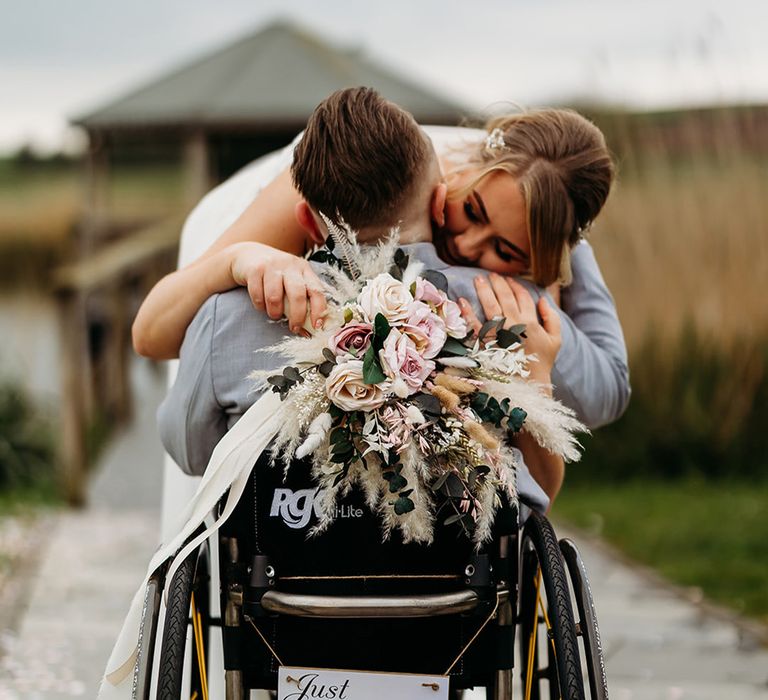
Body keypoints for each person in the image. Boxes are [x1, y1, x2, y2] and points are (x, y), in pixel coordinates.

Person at [159, 86, 561, 505]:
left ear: (309, 225)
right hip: (460, 568)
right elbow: (535, 492)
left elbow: (191, 452)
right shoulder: (507, 312)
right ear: (440, 202)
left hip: (280, 554)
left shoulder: (222, 317)